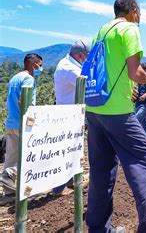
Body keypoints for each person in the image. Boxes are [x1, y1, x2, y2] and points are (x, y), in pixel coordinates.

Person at [85, 0, 146, 232]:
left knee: (102, 168)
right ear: (132, 11)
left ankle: (98, 228)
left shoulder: (102, 31)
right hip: (118, 112)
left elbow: (108, 67)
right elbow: (134, 72)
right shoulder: (129, 29)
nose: (139, 18)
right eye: (139, 13)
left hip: (95, 109)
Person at [0, 53, 43, 195]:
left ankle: (8, 189)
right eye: (40, 65)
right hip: (21, 123)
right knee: (27, 154)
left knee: (11, 156)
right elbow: (22, 100)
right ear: (32, 63)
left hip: (11, 122)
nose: (40, 68)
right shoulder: (29, 79)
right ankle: (8, 175)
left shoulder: (15, 77)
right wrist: (29, 120)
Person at [53, 40, 90, 196]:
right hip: (67, 117)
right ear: (81, 55)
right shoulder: (69, 68)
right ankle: (58, 188)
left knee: (74, 150)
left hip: (73, 115)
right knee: (68, 151)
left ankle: (71, 181)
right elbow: (88, 83)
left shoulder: (72, 64)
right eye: (87, 56)